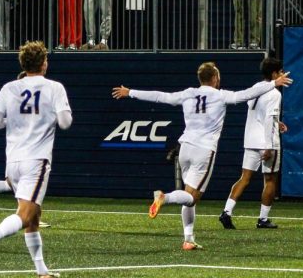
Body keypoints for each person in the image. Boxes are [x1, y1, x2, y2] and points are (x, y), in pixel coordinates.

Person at [112, 61, 293, 251]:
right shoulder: (220, 96)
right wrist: (275, 83)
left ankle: (188, 239)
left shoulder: (188, 93)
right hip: (203, 151)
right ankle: (164, 197)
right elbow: (246, 94)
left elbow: (160, 96)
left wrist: (130, 92)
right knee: (191, 198)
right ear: (215, 78)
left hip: (185, 148)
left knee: (188, 195)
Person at [0, 41, 72, 278]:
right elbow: (65, 122)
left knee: (33, 218)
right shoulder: (54, 88)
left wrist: (17, 121)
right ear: (43, 63)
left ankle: (42, 272)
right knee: (26, 215)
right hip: (36, 160)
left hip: (13, 162)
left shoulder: (9, 88)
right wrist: (45, 119)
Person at [219, 56, 288, 230]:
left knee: (244, 178)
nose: (282, 74)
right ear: (274, 74)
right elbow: (267, 119)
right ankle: (263, 219)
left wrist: (277, 123)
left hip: (250, 139)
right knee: (270, 179)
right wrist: (269, 146)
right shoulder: (274, 93)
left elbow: (259, 113)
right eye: (280, 72)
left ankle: (226, 211)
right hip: (266, 141)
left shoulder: (255, 87)